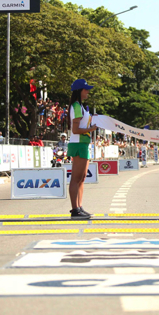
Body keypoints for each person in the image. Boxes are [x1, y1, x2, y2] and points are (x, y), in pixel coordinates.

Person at [67, 78, 98, 219]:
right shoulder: (77, 106)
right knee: (76, 178)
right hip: (78, 143)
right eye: (86, 89)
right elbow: (75, 129)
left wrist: (93, 119)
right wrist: (91, 128)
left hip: (84, 143)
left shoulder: (81, 107)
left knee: (82, 178)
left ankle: (79, 207)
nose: (88, 92)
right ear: (79, 91)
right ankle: (75, 210)